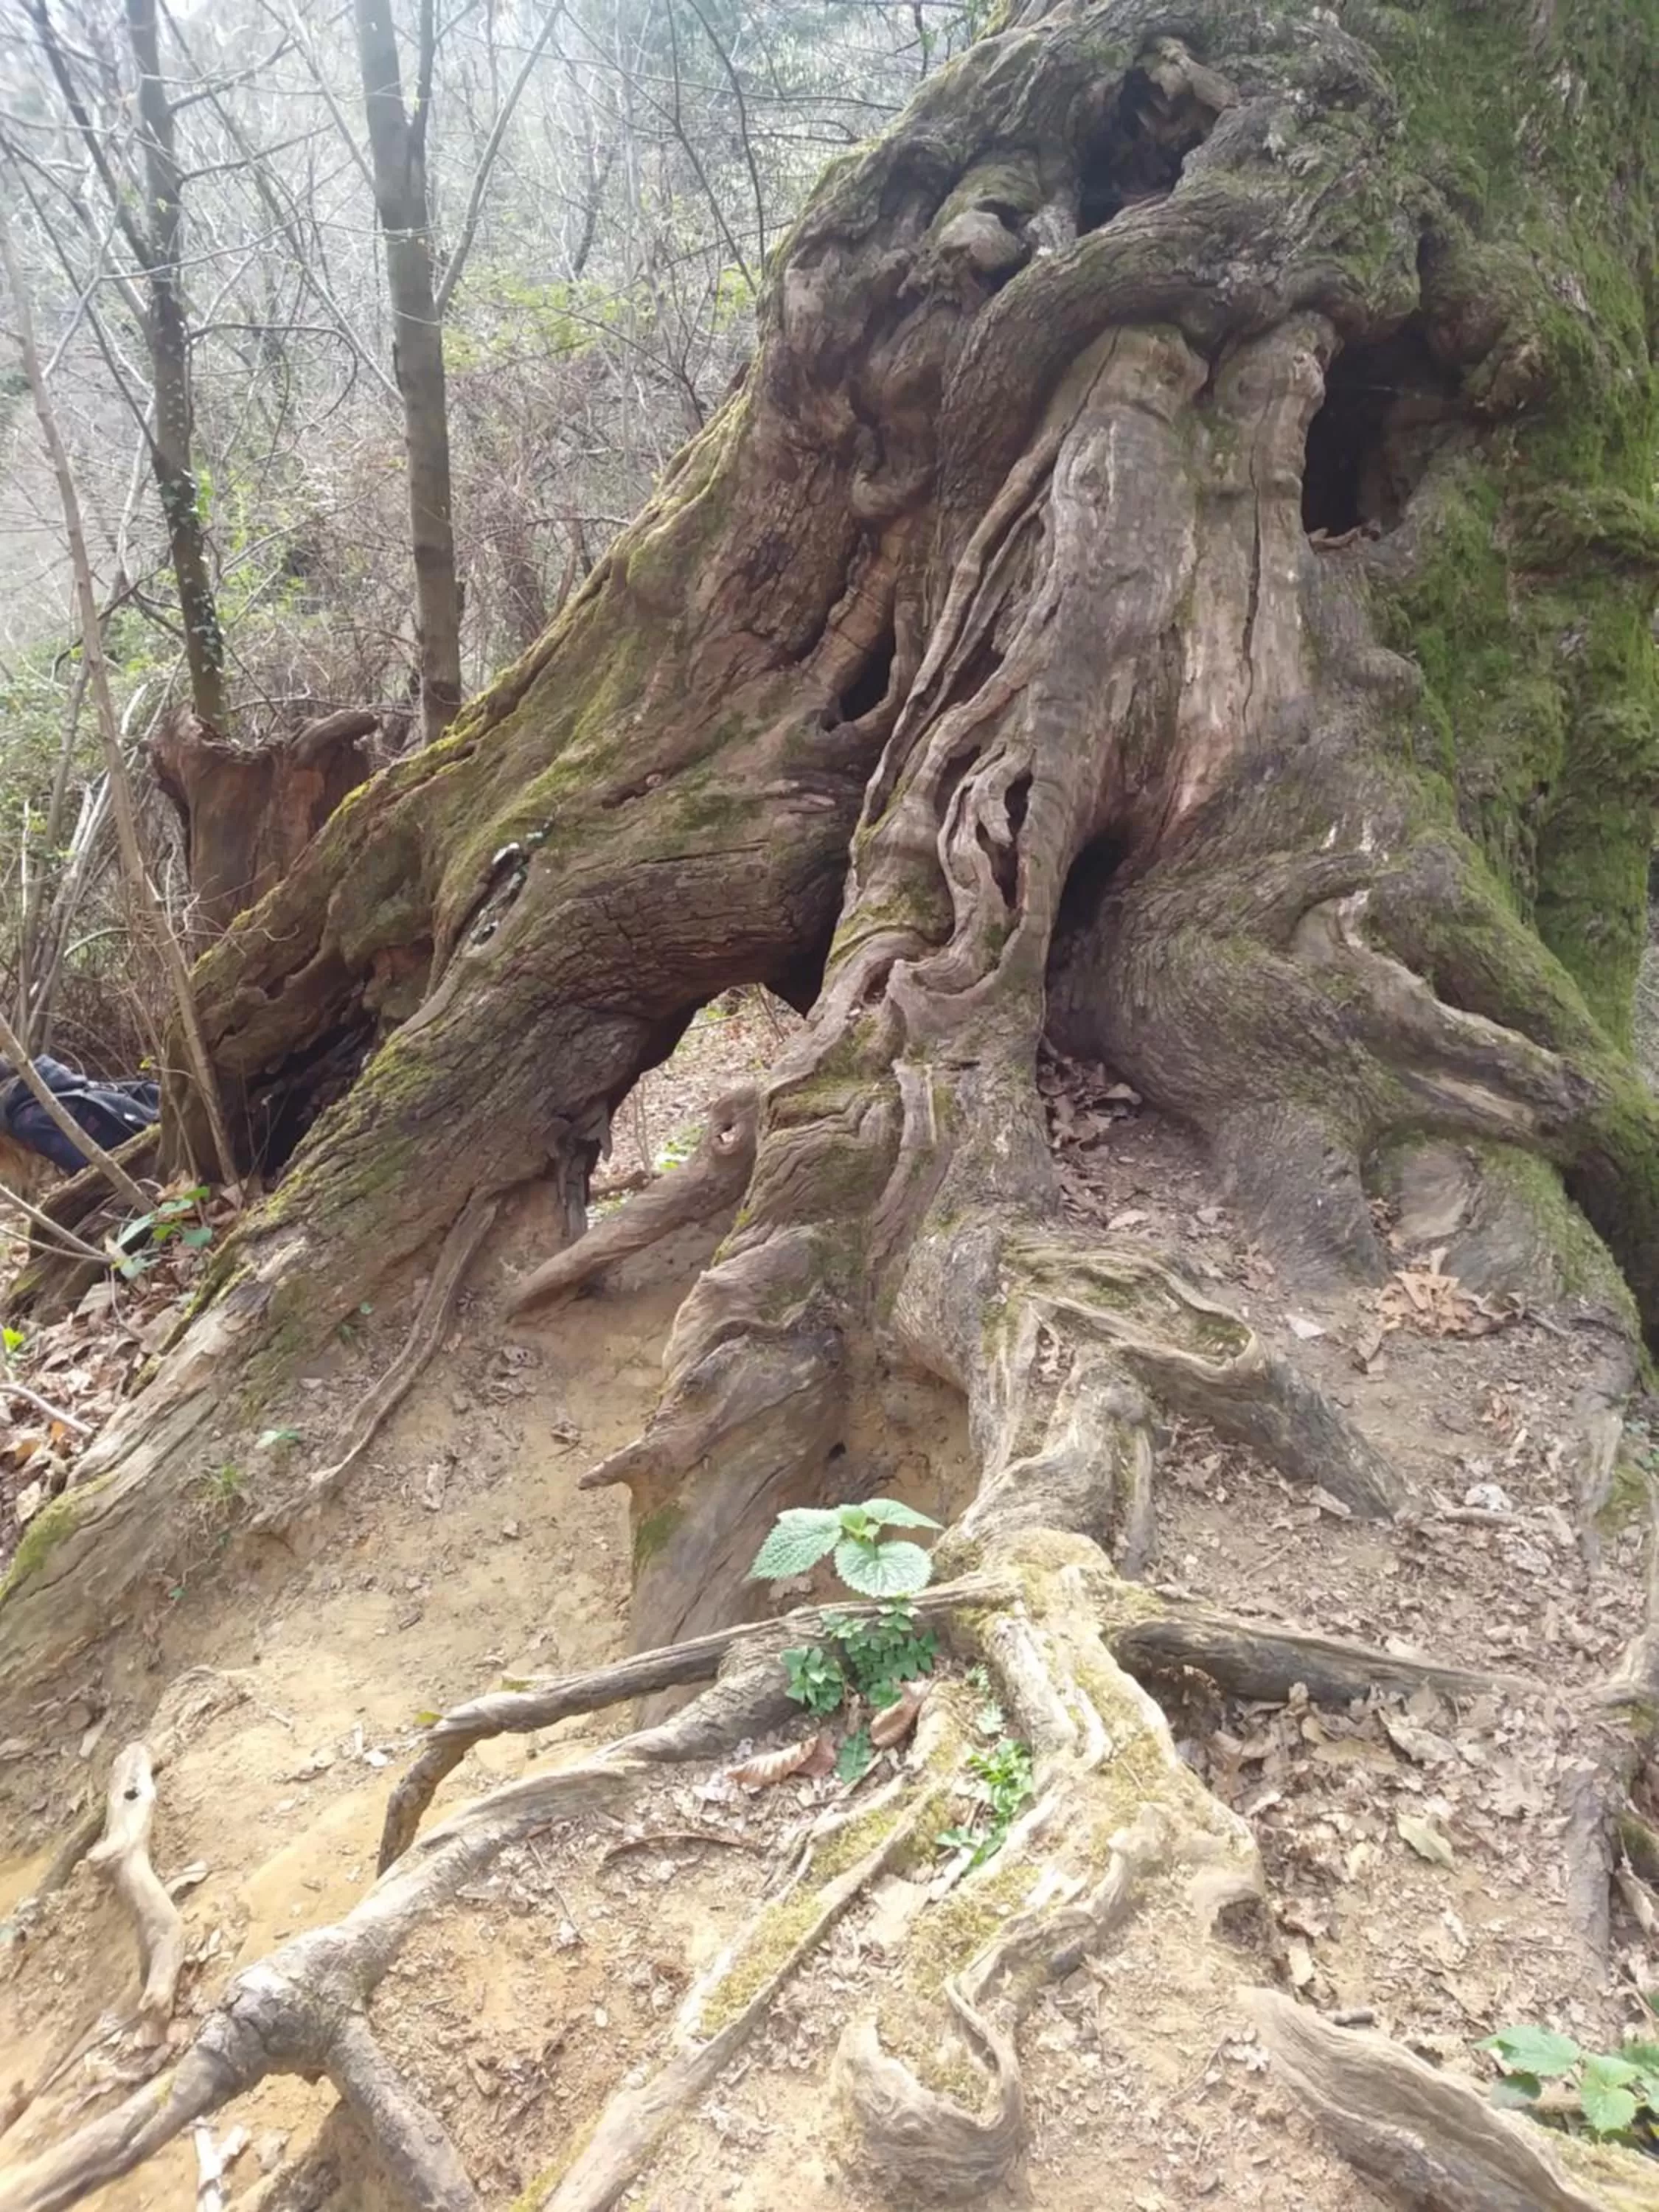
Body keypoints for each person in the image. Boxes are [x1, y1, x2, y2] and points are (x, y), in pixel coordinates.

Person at [0, 1053, 161, 1175]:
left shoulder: (28, 1124)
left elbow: (92, 1174)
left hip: (148, 1156)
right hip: (149, 1119)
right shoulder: (43, 1088)